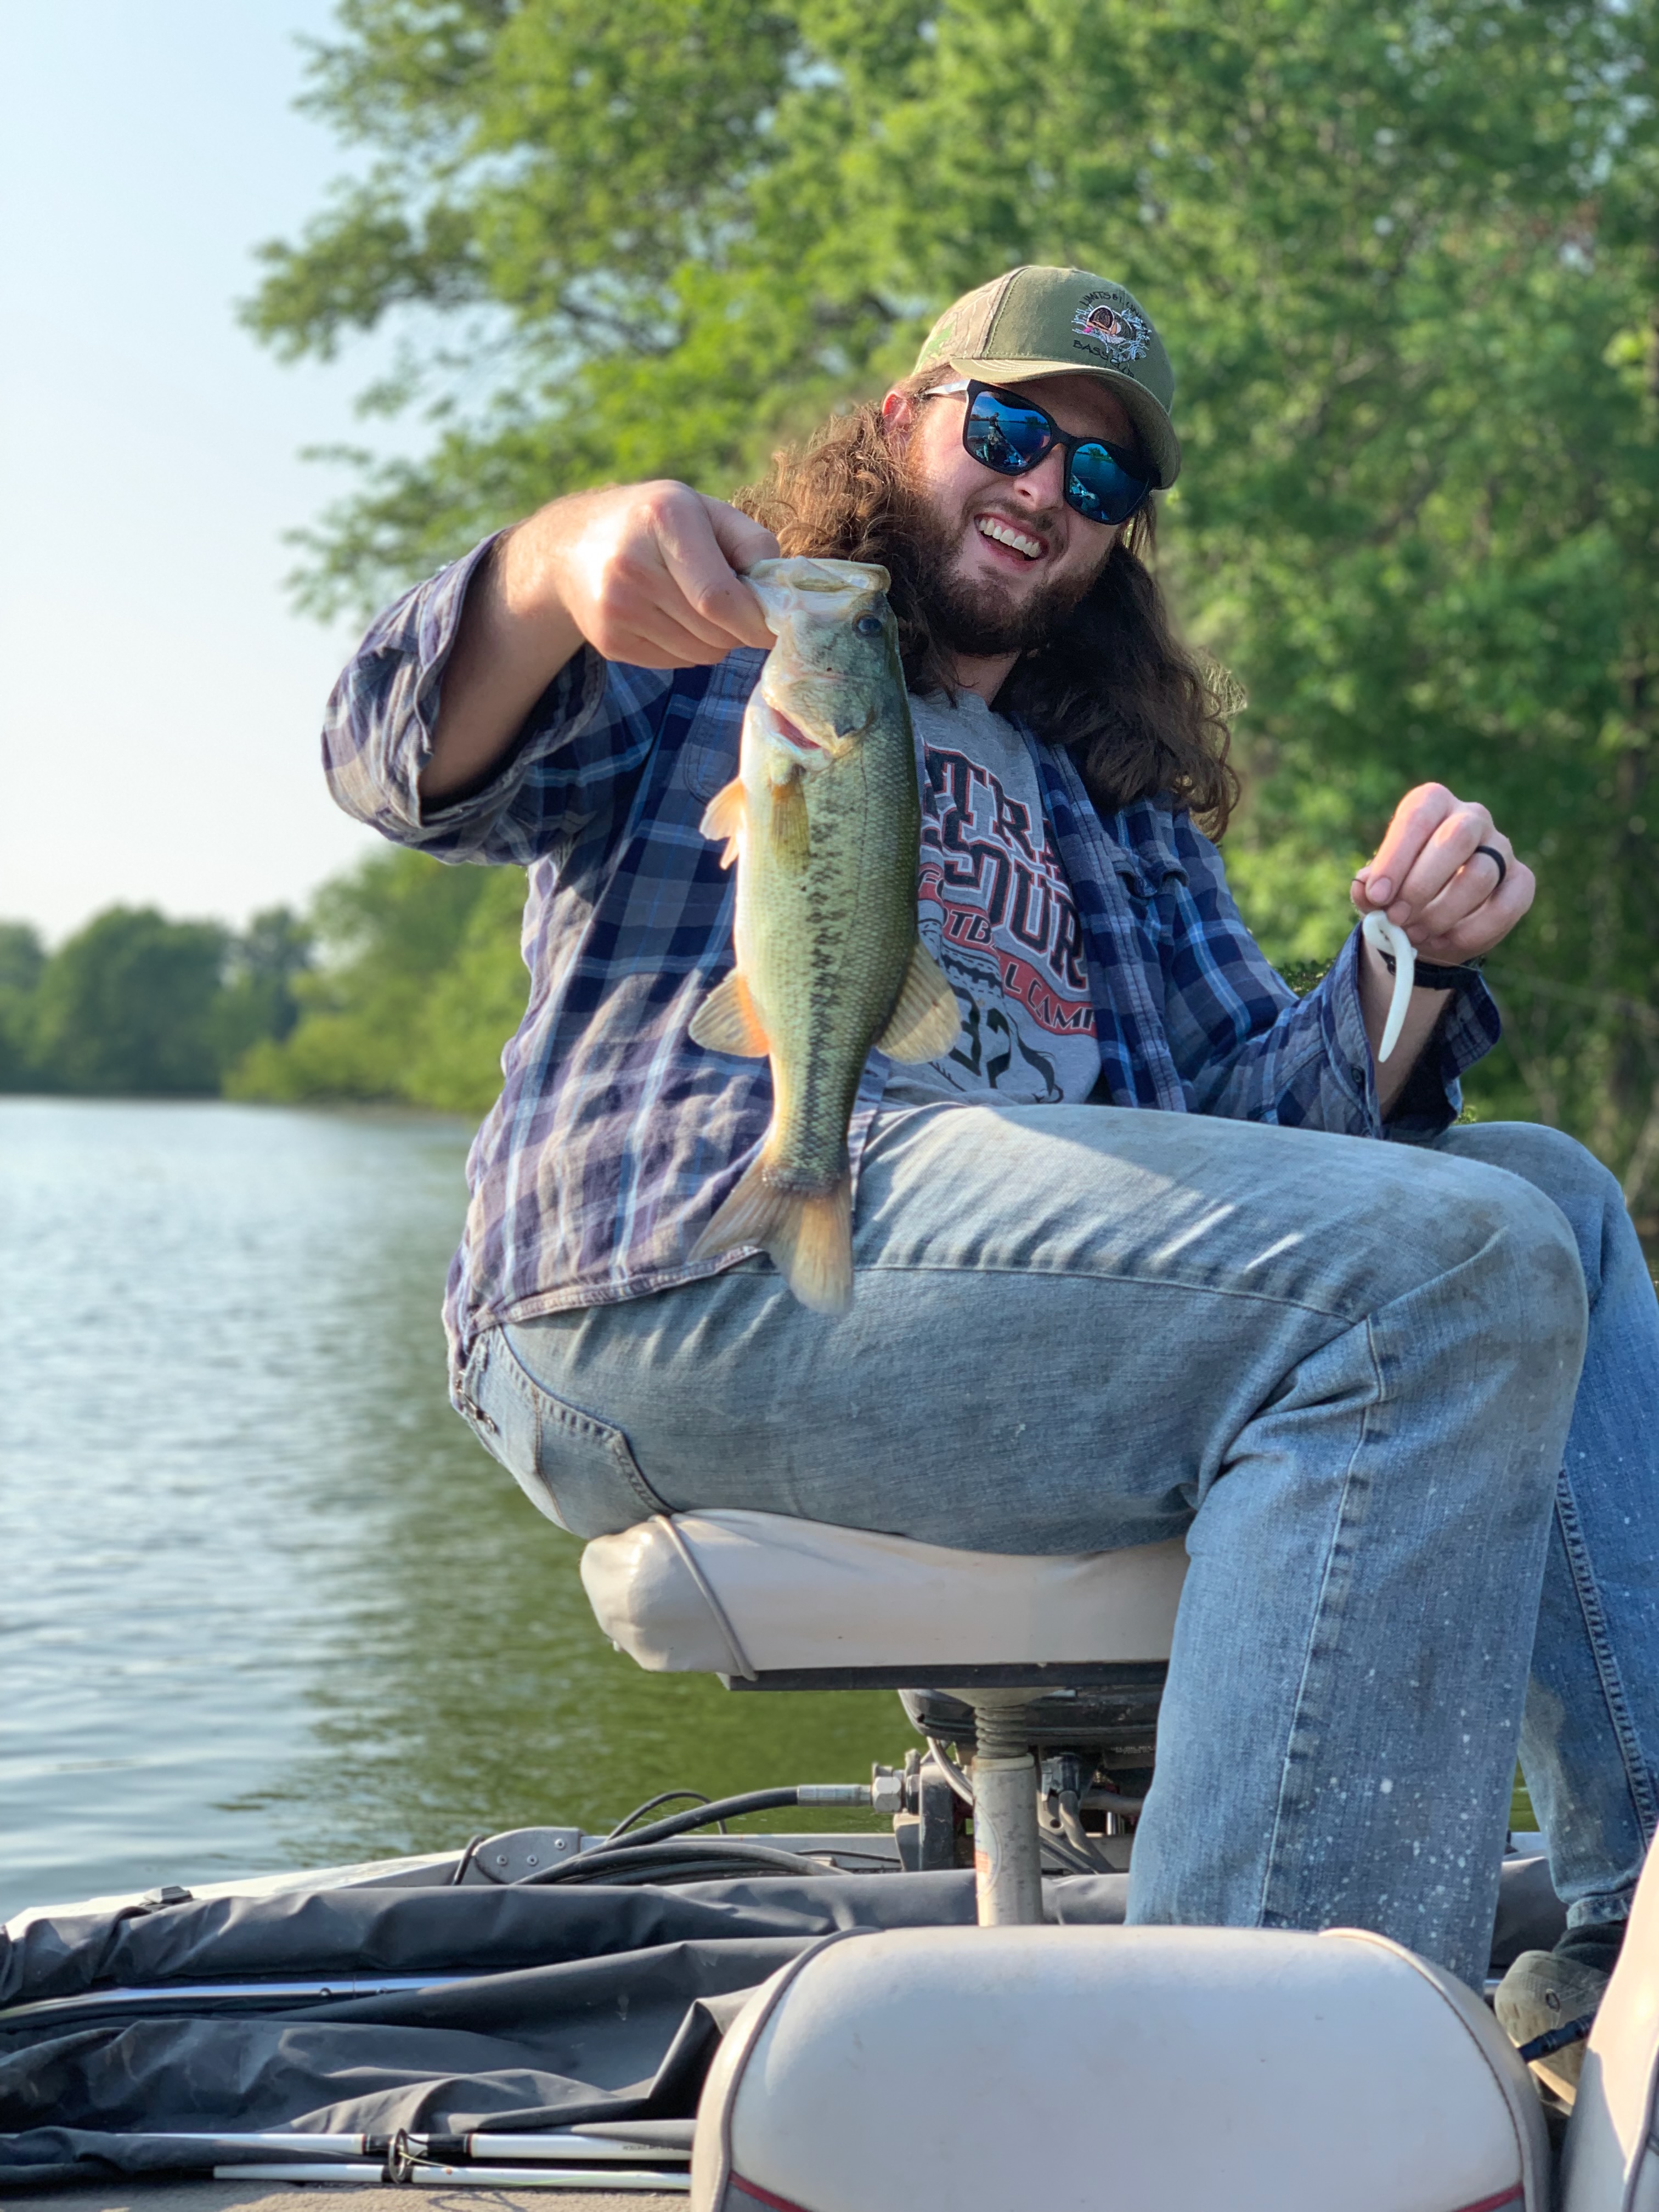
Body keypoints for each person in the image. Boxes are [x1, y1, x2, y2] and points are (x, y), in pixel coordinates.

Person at [324, 265, 1657, 2075]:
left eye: (1099, 482)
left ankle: (1629, 1932)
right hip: (674, 1264)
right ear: (904, 423)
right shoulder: (727, 655)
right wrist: (557, 569)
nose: (1043, 492)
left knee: (1546, 1205)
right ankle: (1253, 2086)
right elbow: (390, 753)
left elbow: (1278, 1147)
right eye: (1013, 433)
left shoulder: (1115, 803)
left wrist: (1405, 961)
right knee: (1458, 1263)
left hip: (1021, 1306)